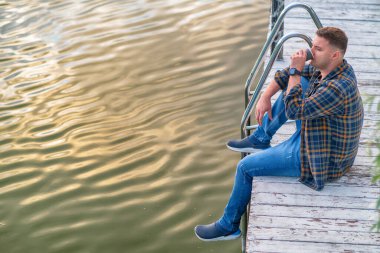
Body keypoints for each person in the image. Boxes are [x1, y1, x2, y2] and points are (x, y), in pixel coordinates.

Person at [194, 27, 364, 241]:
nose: (310, 52)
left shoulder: (338, 87)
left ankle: (229, 226)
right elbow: (286, 77)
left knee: (245, 167)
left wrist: (295, 70)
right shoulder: (332, 68)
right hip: (314, 135)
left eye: (317, 49)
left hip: (320, 159)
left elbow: (294, 110)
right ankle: (261, 138)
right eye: (312, 45)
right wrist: (265, 95)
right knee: (299, 81)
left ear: (335, 55)